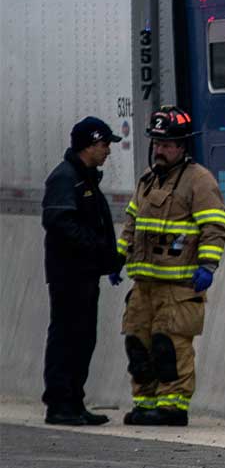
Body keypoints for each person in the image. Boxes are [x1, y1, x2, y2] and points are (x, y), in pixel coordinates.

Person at [119, 106, 225, 426]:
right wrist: (117, 257)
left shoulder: (199, 181)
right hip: (144, 285)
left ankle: (172, 407)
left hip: (179, 286)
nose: (160, 150)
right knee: (137, 344)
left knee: (170, 346)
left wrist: (208, 265)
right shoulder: (147, 180)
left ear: (182, 146)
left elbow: (215, 226)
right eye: (156, 143)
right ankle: (145, 403)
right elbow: (132, 222)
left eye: (166, 145)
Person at [41, 117, 126, 426]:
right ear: (89, 145)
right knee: (67, 336)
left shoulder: (84, 178)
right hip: (69, 275)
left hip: (84, 274)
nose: (108, 151)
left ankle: (74, 402)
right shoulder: (66, 178)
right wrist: (97, 248)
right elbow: (59, 222)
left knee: (83, 338)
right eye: (105, 145)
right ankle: (60, 404)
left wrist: (107, 259)